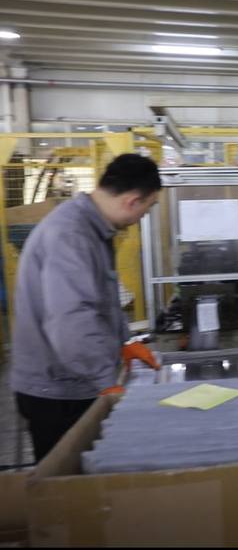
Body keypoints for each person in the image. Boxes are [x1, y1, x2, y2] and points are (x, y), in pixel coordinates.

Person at [11, 153, 163, 462]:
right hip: (56, 392)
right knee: (66, 483)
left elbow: (102, 298)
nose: (142, 217)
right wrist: (106, 382)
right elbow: (71, 320)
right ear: (132, 201)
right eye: (147, 208)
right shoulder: (71, 235)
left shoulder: (93, 228)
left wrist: (124, 342)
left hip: (73, 380)